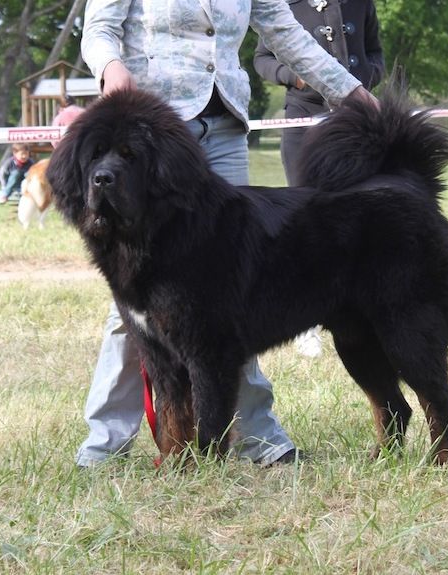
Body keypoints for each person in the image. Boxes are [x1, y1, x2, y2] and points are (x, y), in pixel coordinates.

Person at [76, 0, 379, 469]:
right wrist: (111, 67)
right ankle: (104, 444)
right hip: (148, 142)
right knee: (137, 305)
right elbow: (98, 27)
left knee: (234, 292)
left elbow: (287, 33)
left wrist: (352, 93)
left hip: (225, 131)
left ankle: (257, 436)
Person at [254, 0, 385, 358]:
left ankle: (371, 308)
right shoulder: (284, 6)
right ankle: (304, 322)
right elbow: (262, 59)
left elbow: (375, 52)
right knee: (302, 224)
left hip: (355, 118)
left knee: (361, 217)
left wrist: (366, 79)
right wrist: (294, 77)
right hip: (303, 119)